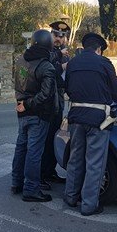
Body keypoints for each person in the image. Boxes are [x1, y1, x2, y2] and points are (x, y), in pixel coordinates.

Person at [63, 33, 117, 216]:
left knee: (75, 158)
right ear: (99, 49)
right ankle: (89, 205)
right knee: (95, 163)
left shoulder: (73, 63)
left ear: (85, 47)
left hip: (76, 117)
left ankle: (70, 197)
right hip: (98, 120)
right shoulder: (104, 63)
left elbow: (68, 89)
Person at [11, 29, 57, 202]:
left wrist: (21, 103)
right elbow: (46, 95)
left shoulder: (21, 61)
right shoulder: (46, 66)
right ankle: (31, 189)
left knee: (21, 148)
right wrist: (28, 104)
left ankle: (16, 182)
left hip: (21, 110)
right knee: (34, 152)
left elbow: (17, 85)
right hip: (38, 114)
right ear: (48, 45)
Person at [40, 20, 71, 186]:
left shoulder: (65, 54)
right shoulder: (46, 51)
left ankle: (50, 171)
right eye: (56, 35)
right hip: (46, 102)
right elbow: (48, 74)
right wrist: (62, 66)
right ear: (51, 35)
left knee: (53, 138)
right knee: (43, 140)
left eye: (62, 36)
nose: (59, 38)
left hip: (58, 102)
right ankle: (40, 175)